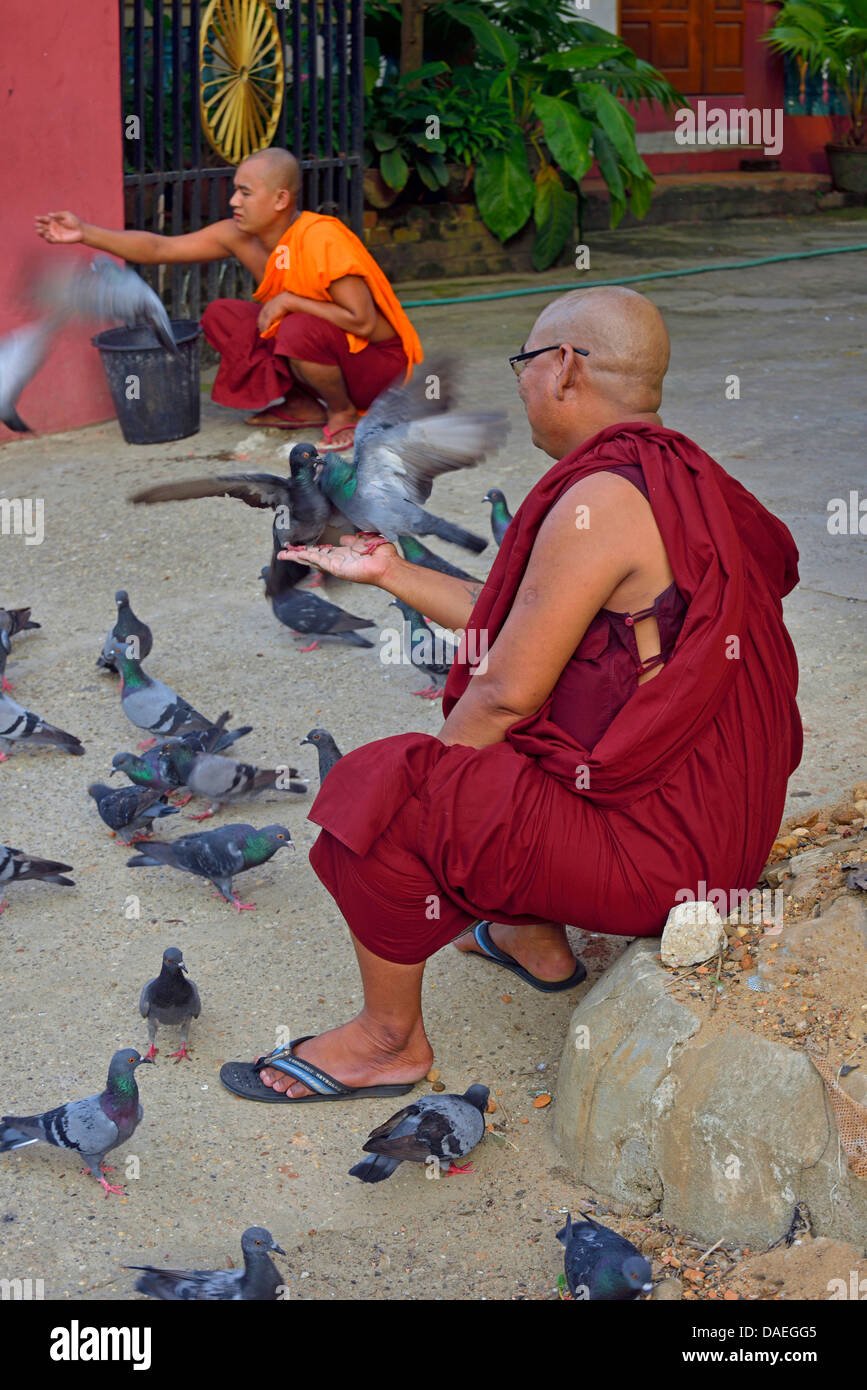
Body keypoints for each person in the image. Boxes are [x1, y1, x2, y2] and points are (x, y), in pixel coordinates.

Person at [217, 285, 802, 1104]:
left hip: (666, 861)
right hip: (715, 835)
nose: (521, 382)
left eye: (524, 363)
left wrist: (424, 808)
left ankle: (388, 1042)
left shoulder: (600, 499)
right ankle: (527, 931)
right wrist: (389, 569)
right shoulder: (683, 478)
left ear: (564, 368)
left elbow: (502, 691)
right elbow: (536, 631)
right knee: (495, 764)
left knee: (382, 790)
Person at [35, 148, 422, 450]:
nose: (234, 200)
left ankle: (343, 414)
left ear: (280, 199)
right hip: (330, 352)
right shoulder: (238, 235)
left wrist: (290, 301)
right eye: (235, 190)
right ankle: (303, 404)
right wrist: (84, 232)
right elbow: (159, 247)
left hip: (379, 370)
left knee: (297, 326)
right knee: (224, 315)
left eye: (245, 192)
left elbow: (362, 322)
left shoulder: (321, 236)